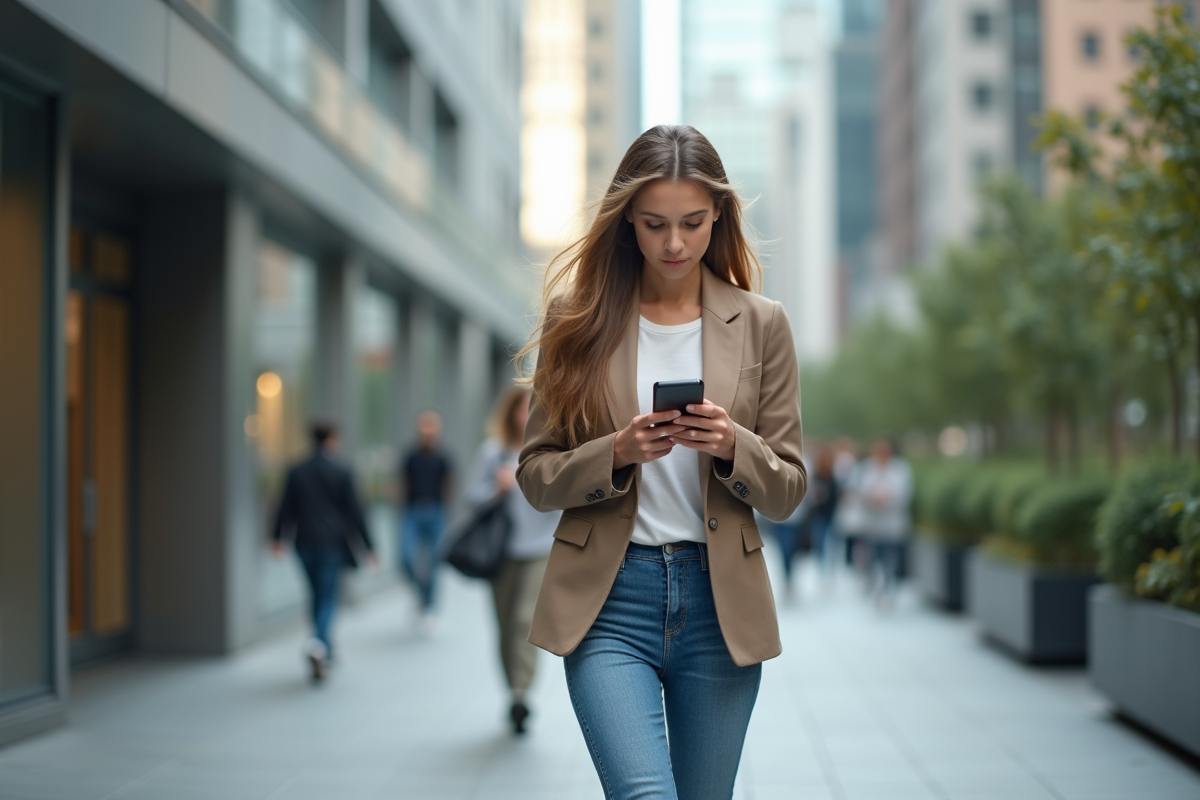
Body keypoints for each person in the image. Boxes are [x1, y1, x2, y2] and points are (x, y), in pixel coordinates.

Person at [516, 125, 807, 800]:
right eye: (654, 224)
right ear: (627, 221)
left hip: (718, 605)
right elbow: (535, 475)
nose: (674, 243)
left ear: (719, 216)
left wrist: (733, 444)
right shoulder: (578, 319)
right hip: (611, 600)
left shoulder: (762, 323)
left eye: (691, 223)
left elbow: (789, 488)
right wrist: (615, 454)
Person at [464, 387, 562, 735]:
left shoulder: (552, 452)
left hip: (539, 551)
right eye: (524, 408)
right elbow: (471, 496)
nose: (529, 415)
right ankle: (512, 689)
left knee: (523, 621)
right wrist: (497, 488)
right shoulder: (493, 453)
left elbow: (568, 496)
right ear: (512, 414)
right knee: (505, 624)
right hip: (502, 552)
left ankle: (522, 693)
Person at [271, 419, 376, 682]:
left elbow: (284, 506)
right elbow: (356, 511)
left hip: (304, 542)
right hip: (331, 543)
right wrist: (369, 546)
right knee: (328, 597)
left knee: (317, 595)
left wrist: (277, 537)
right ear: (332, 439)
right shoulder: (342, 470)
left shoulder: (297, 470)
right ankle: (319, 643)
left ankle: (324, 646)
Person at [399, 411, 453, 630]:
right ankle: (421, 594)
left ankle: (429, 605)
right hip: (412, 511)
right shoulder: (410, 457)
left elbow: (449, 485)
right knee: (406, 558)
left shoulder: (443, 458)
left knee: (433, 562)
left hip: (435, 512)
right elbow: (403, 483)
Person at [857, 438, 913, 609]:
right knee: (874, 559)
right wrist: (872, 498)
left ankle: (888, 589)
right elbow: (860, 491)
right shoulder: (867, 467)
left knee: (890, 558)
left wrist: (887, 499)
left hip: (892, 525)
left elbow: (905, 494)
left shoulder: (900, 469)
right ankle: (877, 587)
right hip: (872, 524)